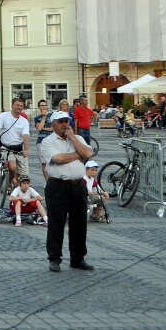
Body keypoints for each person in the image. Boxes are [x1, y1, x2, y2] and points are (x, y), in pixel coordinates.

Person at [38, 110, 95, 272]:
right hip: (57, 185)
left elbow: (89, 154)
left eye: (67, 121)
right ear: (53, 124)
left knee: (79, 223)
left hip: (78, 185)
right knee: (56, 223)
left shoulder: (78, 138)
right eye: (61, 121)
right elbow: (57, 159)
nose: (65, 124)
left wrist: (73, 139)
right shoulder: (48, 141)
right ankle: (54, 258)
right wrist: (78, 155)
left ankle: (77, 258)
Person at [0, 98, 32, 186]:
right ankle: (10, 183)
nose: (19, 107)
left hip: (18, 148)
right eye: (17, 105)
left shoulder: (24, 121)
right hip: (6, 147)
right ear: (12, 105)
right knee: (12, 167)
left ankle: (15, 186)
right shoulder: (3, 116)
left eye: (21, 106)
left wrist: (26, 149)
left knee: (22, 175)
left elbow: (25, 136)